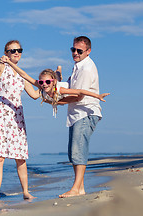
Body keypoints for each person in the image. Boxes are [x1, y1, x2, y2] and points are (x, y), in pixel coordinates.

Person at [0, 40, 39, 201]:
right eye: (13, 50)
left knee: (20, 157)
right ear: (6, 52)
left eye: (19, 50)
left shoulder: (22, 74)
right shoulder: (2, 67)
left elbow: (35, 95)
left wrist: (49, 85)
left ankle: (25, 191)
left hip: (17, 117)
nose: (16, 53)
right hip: (1, 115)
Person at [57, 36, 104, 198]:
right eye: (73, 50)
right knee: (73, 152)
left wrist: (57, 100)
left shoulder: (86, 68)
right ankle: (81, 188)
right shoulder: (78, 66)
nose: (75, 53)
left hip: (86, 112)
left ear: (88, 51)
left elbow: (78, 96)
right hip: (76, 114)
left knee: (78, 150)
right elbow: (70, 87)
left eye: (79, 51)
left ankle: (75, 189)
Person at [0, 56, 109, 117]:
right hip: (55, 92)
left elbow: (80, 91)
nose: (44, 85)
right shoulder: (42, 85)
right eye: (42, 82)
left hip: (62, 89)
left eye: (47, 82)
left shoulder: (61, 89)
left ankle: (58, 70)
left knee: (63, 84)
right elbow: (24, 74)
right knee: (55, 84)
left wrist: (97, 96)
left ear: (52, 82)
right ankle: (57, 72)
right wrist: (9, 63)